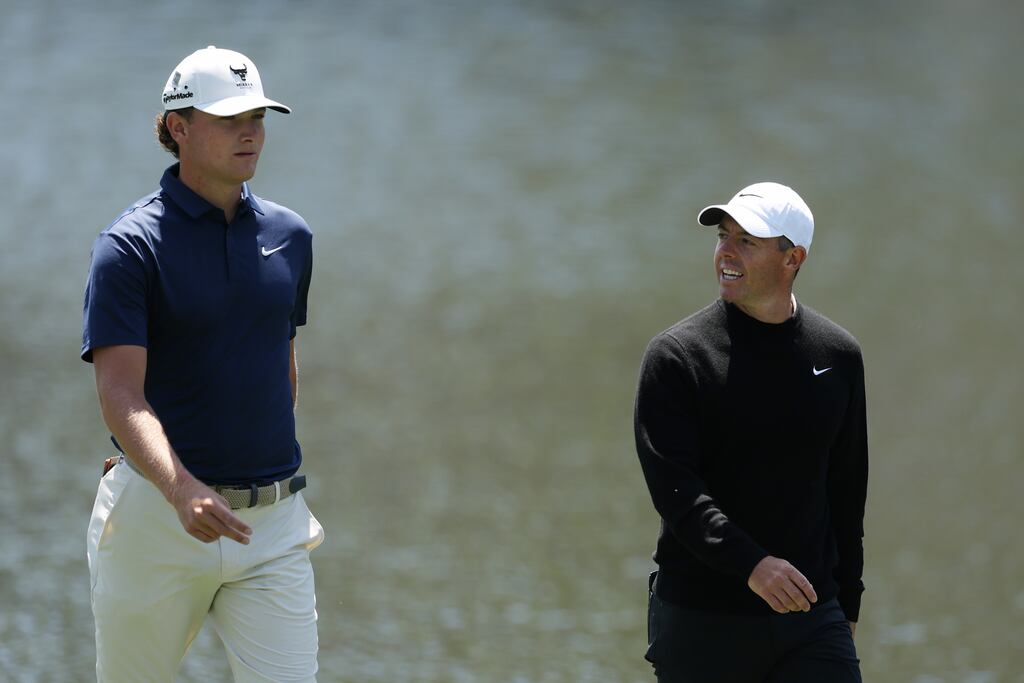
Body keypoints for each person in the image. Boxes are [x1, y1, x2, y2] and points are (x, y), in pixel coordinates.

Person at [81, 46, 323, 682]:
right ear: (178, 128)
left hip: (271, 527)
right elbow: (120, 393)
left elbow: (278, 364)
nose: (250, 132)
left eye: (258, 116)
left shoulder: (290, 236)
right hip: (157, 524)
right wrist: (181, 487)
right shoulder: (129, 247)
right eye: (228, 118)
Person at [633, 182, 868, 682]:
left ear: (793, 257)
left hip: (810, 617)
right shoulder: (677, 357)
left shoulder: (838, 357)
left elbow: (847, 489)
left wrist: (847, 602)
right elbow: (678, 495)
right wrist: (753, 566)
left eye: (748, 241)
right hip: (702, 619)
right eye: (723, 236)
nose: (726, 253)